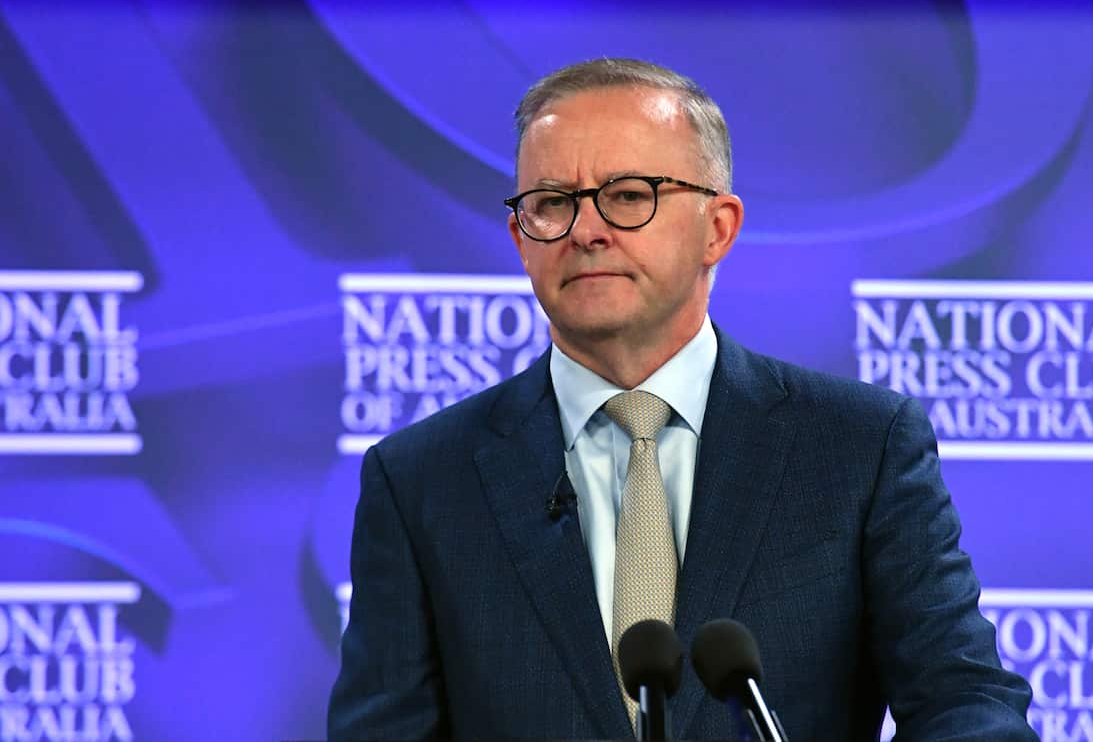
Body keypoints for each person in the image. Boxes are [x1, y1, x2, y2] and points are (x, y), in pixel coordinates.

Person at [328, 58, 1036, 740]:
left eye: (629, 195)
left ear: (718, 227)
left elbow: (965, 698)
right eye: (551, 204)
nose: (586, 230)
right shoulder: (422, 479)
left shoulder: (859, 446)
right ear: (520, 237)